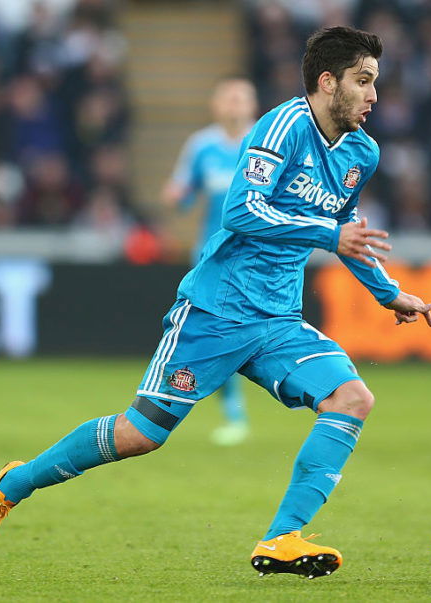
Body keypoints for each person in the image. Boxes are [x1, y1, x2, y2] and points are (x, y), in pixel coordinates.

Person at [0, 26, 431, 580]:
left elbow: (346, 229)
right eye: (363, 81)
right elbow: (242, 212)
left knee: (352, 398)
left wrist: (388, 293)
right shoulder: (281, 127)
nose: (374, 95)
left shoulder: (362, 152)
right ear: (328, 83)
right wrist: (329, 238)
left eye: (375, 82)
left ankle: (282, 538)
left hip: (279, 319)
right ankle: (13, 485)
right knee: (142, 435)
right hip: (217, 311)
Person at [160, 77, 258, 446]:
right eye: (228, 98)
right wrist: (175, 197)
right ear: (216, 106)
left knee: (248, 330)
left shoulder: (267, 141)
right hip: (212, 255)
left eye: (241, 98)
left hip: (258, 255)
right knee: (216, 331)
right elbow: (183, 195)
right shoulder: (201, 146)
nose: (234, 105)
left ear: (252, 105)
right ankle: (233, 414)